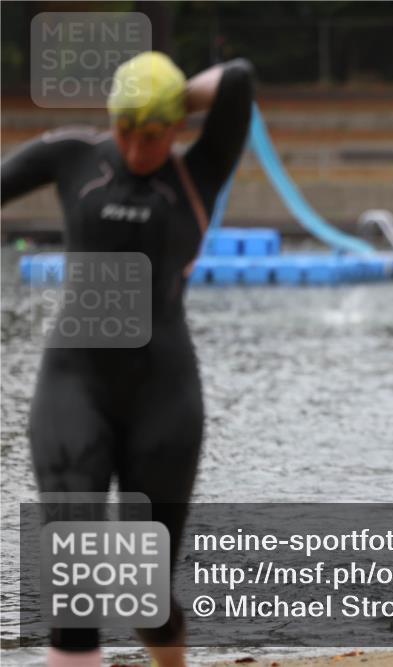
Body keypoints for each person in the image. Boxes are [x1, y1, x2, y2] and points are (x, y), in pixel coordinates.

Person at [1, 51, 254, 667]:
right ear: (110, 121)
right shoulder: (73, 157)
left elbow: (238, 82)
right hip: (74, 386)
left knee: (146, 593)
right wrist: (136, 104)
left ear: (176, 128)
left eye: (154, 132)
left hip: (162, 398)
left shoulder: (200, 172)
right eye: (126, 130)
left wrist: (160, 93)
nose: (139, 148)